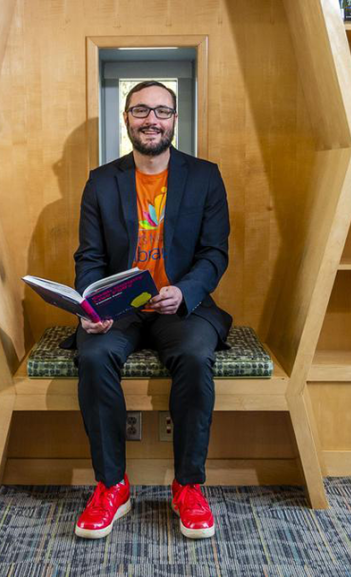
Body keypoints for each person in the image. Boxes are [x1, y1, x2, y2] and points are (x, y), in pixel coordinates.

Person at [63, 80, 233, 540]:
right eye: (141, 111)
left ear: (175, 119)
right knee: (94, 356)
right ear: (127, 119)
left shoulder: (205, 176)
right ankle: (112, 486)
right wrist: (89, 303)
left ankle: (188, 486)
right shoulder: (101, 181)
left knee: (197, 358)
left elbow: (216, 253)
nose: (151, 120)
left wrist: (184, 291)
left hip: (180, 305)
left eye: (161, 111)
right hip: (121, 308)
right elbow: (90, 257)